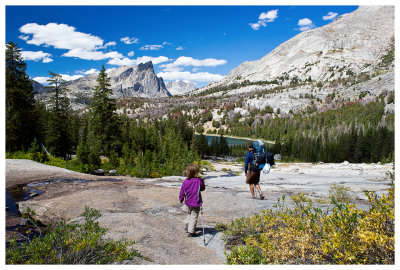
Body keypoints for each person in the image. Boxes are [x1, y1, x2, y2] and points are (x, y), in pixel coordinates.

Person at [179, 163, 205, 237]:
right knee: (194, 215)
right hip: (196, 202)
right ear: (196, 172)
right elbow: (203, 188)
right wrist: (202, 181)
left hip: (188, 201)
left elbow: (182, 191)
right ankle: (191, 231)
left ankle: (188, 225)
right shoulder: (198, 181)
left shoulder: (185, 181)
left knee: (189, 213)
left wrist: (181, 198)